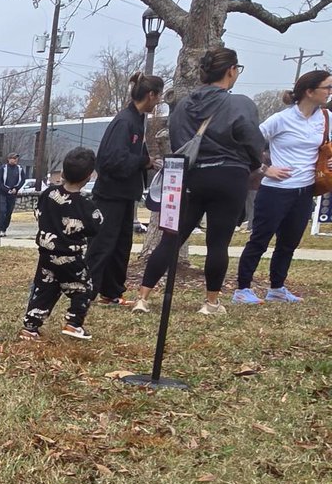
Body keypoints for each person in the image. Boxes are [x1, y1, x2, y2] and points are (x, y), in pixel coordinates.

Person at [133, 48, 265, 316]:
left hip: (190, 175)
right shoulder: (239, 104)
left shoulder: (183, 106)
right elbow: (253, 142)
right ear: (231, 71)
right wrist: (252, 165)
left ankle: (143, 297)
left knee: (170, 237)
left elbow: (179, 140)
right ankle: (211, 302)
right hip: (229, 175)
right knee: (218, 243)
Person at [232, 70, 332, 304]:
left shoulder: (326, 118)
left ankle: (277, 288)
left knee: (289, 243)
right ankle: (242, 289)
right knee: (260, 240)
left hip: (306, 190)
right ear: (309, 91)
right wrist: (266, 169)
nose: (330, 92)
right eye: (327, 87)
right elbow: (249, 144)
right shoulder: (281, 119)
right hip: (275, 191)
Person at [87, 72, 164, 306]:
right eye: (159, 96)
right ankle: (85, 291)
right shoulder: (124, 122)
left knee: (121, 246)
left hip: (124, 194)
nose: (159, 101)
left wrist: (147, 160)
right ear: (151, 95)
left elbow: (131, 155)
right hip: (110, 195)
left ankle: (111, 292)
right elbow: (110, 160)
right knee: (102, 245)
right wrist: (143, 162)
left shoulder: (138, 120)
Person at [20, 147, 103, 341]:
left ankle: (30, 326)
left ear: (63, 173)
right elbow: (95, 227)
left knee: (44, 289)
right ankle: (74, 323)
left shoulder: (48, 194)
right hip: (71, 257)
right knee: (83, 288)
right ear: (89, 177)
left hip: (47, 255)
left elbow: (39, 213)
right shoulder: (85, 205)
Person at [0, 153, 24, 236]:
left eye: (16, 158)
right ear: (9, 159)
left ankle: (4, 229)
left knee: (9, 212)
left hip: (13, 194)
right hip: (3, 193)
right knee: (2, 211)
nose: (15, 160)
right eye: (13, 158)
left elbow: (22, 180)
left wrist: (16, 189)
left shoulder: (20, 169)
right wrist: (7, 190)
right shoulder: (3, 168)